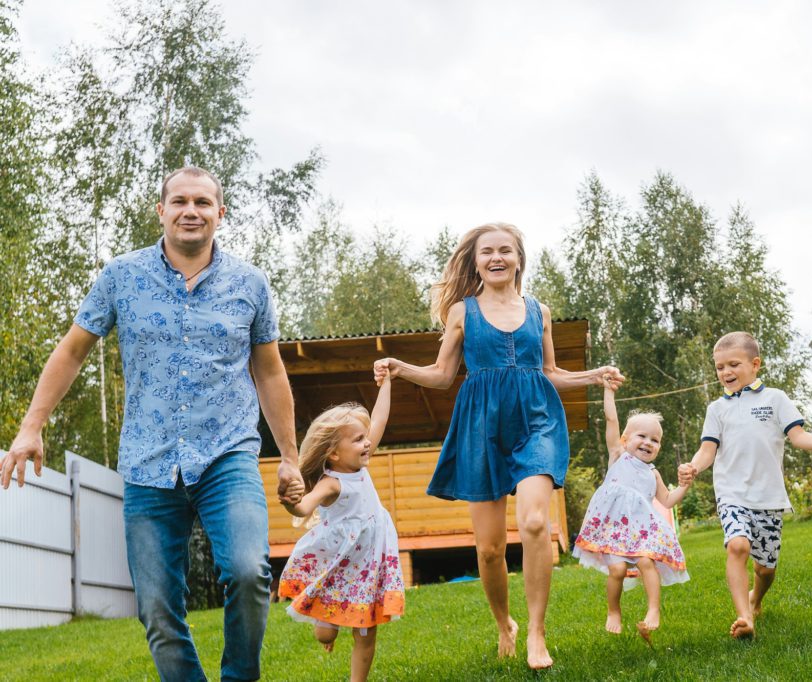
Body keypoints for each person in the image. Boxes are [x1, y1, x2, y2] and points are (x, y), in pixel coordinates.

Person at [0, 167, 303, 682]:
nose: (191, 211)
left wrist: (290, 457)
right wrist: (32, 426)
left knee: (250, 571)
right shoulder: (122, 276)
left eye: (204, 203)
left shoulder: (249, 284)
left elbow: (270, 370)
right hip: (147, 460)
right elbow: (73, 350)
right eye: (180, 201)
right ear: (160, 211)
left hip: (227, 452)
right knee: (158, 609)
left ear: (220, 214)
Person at [373, 222, 623, 670]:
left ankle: (536, 633)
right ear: (475, 261)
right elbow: (443, 375)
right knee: (488, 549)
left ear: (518, 258)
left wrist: (593, 375)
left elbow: (550, 372)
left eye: (505, 250)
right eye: (487, 251)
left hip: (537, 421)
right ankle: (504, 623)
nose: (496, 258)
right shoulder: (461, 313)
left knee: (533, 523)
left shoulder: (538, 311)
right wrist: (399, 367)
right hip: (480, 427)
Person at [678, 331, 812, 639]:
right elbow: (707, 450)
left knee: (766, 569)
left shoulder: (775, 399)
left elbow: (799, 437)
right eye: (720, 367)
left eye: (733, 364)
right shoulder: (717, 410)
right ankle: (744, 617)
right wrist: (693, 466)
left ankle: (756, 598)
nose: (726, 372)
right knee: (737, 546)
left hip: (768, 497)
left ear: (755, 364)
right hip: (731, 494)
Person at [278, 373, 403, 682]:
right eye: (359, 439)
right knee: (323, 635)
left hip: (369, 563)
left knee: (367, 629)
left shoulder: (361, 462)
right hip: (340, 563)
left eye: (365, 438)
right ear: (334, 453)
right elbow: (304, 507)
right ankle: (329, 628)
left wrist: (386, 384)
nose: (367, 443)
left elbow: (379, 420)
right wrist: (289, 502)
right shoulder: (332, 483)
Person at [573, 376, 689, 643]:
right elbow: (611, 420)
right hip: (613, 530)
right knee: (617, 571)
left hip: (641, 532)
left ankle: (653, 610)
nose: (648, 443)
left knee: (647, 562)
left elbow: (668, 500)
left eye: (655, 440)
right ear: (625, 439)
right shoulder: (618, 455)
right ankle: (614, 610)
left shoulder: (653, 473)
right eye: (642, 436)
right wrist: (608, 392)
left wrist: (684, 485)